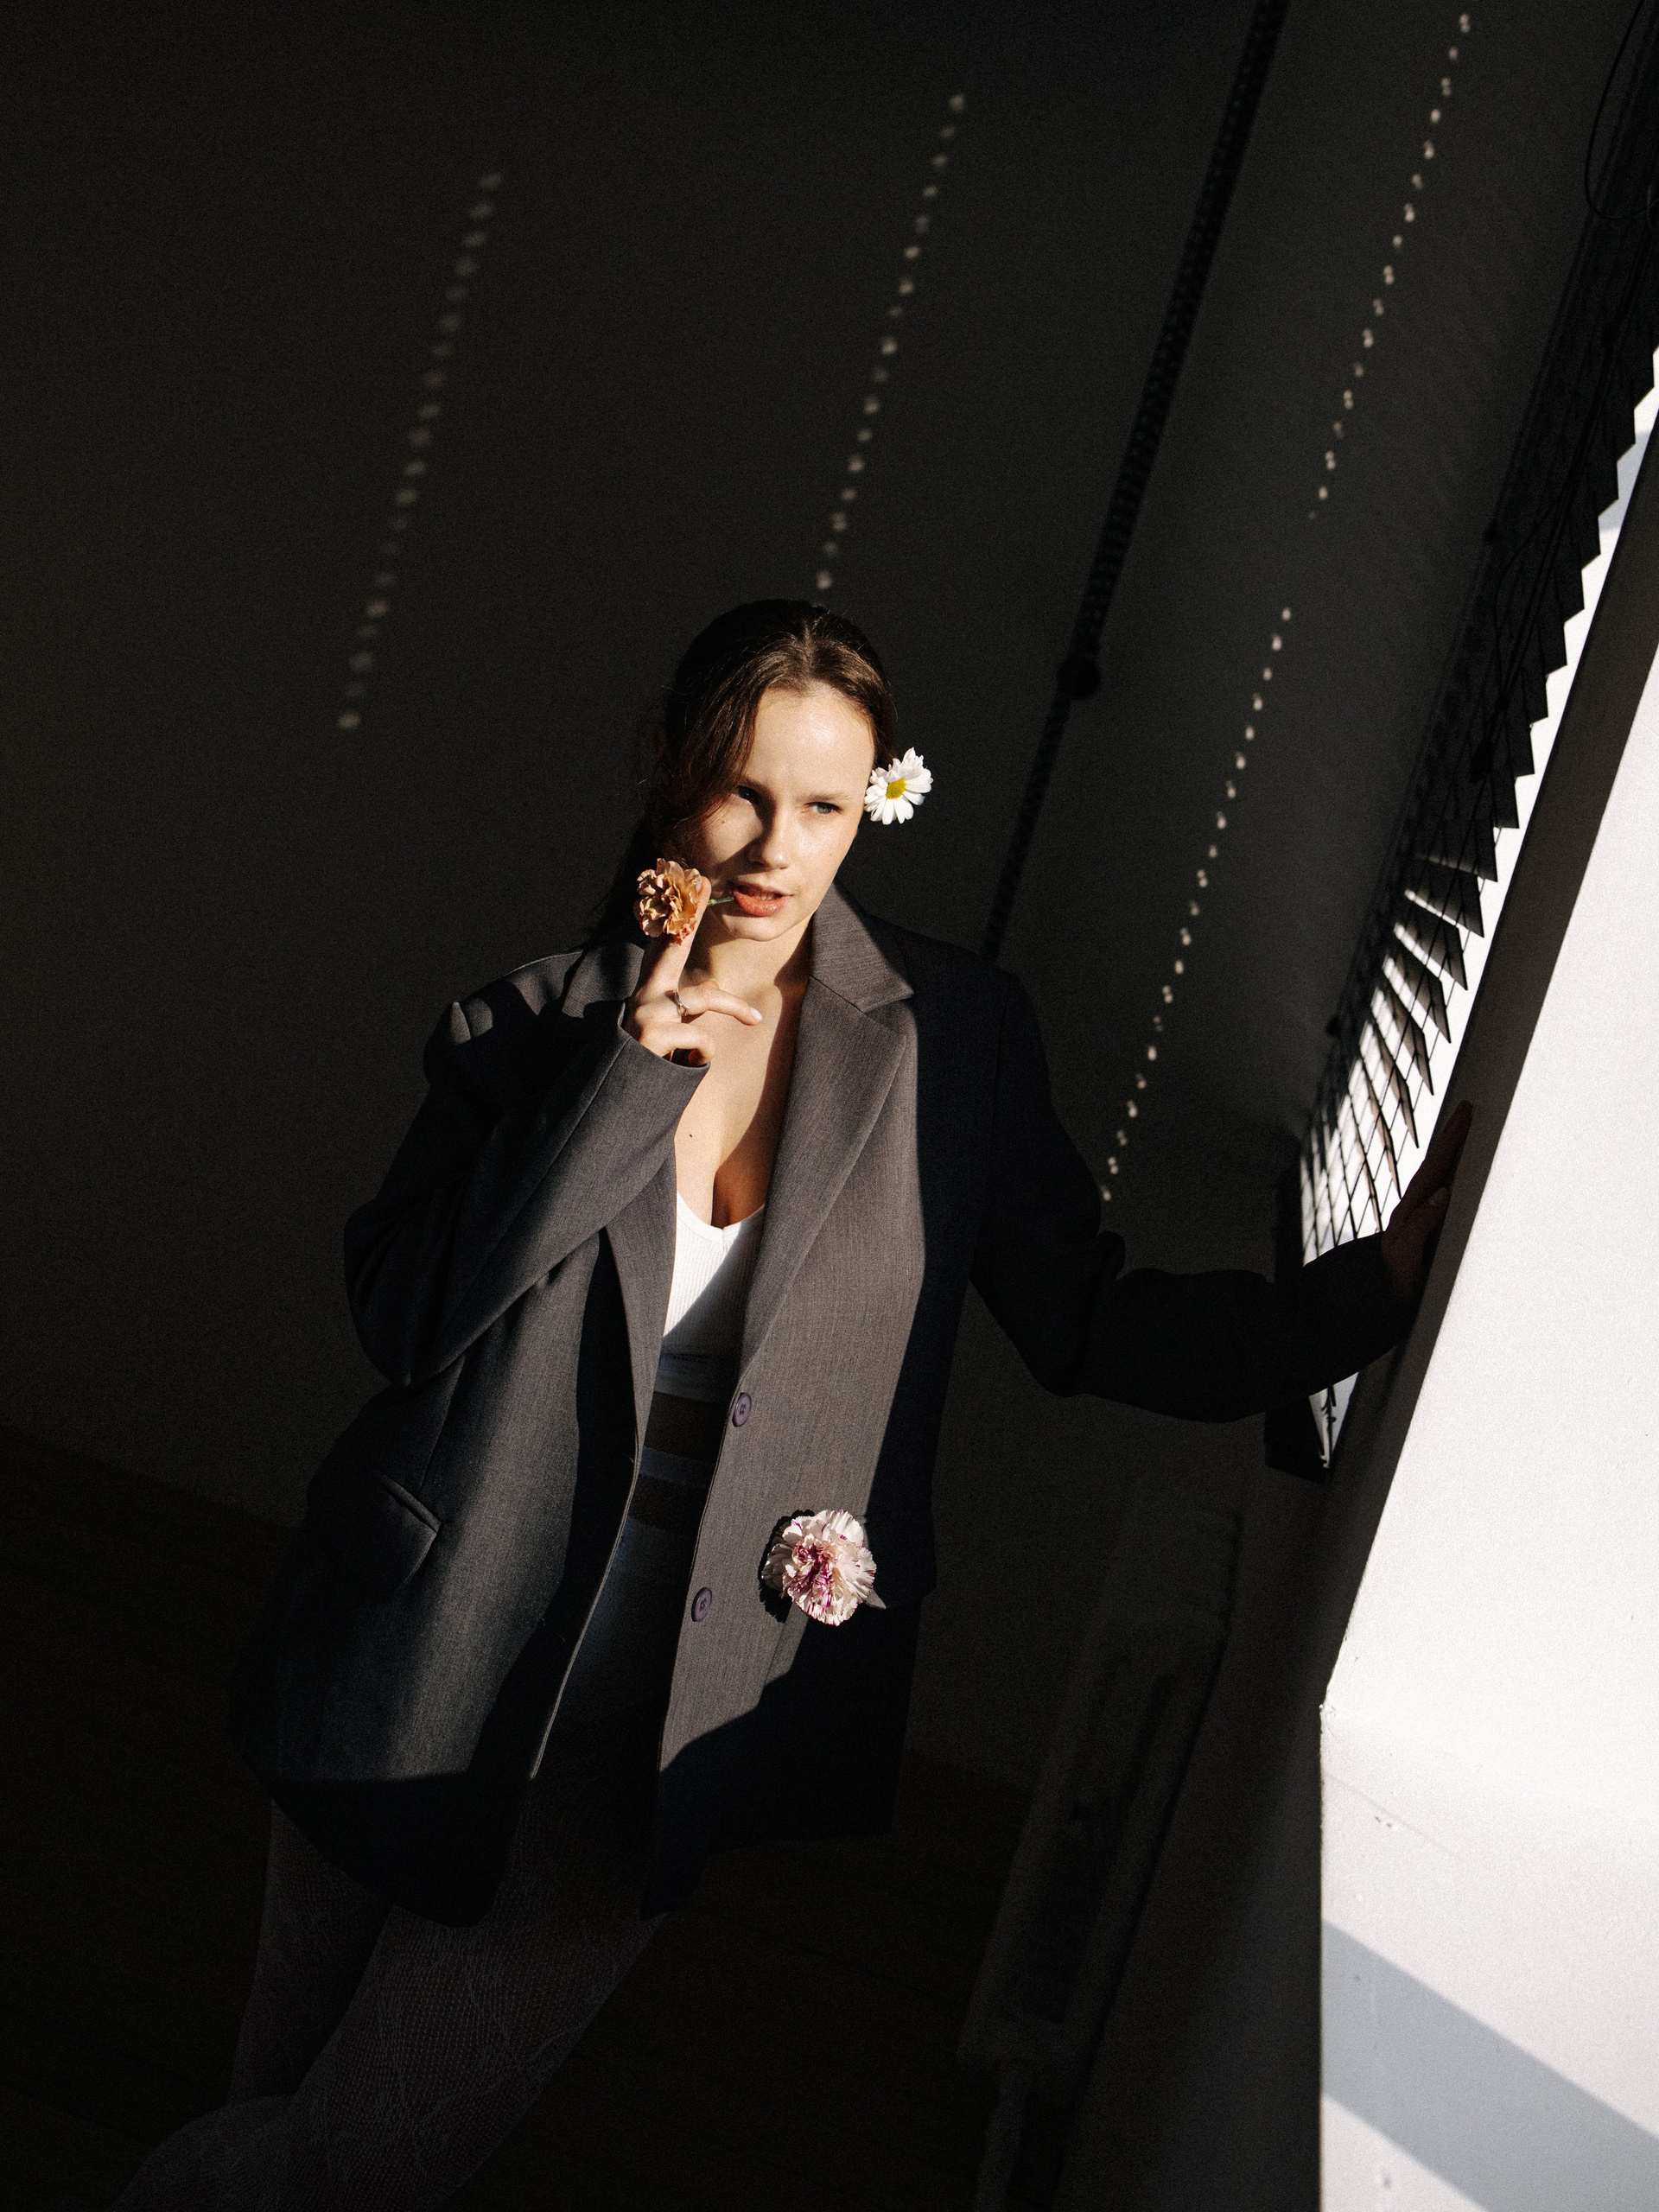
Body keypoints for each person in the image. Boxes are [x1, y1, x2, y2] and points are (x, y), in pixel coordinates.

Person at [104, 600, 1467, 2210]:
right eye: (742, 791)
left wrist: (1362, 1299)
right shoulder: (528, 1022)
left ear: (875, 801)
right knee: (278, 2087)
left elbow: (1086, 1319)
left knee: (365, 2161)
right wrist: (620, 1085)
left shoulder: (952, 1040)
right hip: (424, 1643)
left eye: (823, 804)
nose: (775, 848)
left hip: (667, 1701)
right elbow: (407, 1318)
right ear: (668, 768)